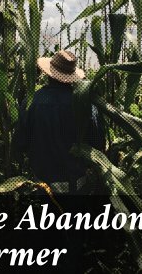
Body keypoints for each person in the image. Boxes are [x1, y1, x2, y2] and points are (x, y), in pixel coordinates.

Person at [13, 50, 105, 194]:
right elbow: (98, 143)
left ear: (49, 74)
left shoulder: (31, 101)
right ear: (72, 76)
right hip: (77, 185)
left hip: (41, 186)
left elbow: (20, 143)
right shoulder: (86, 104)